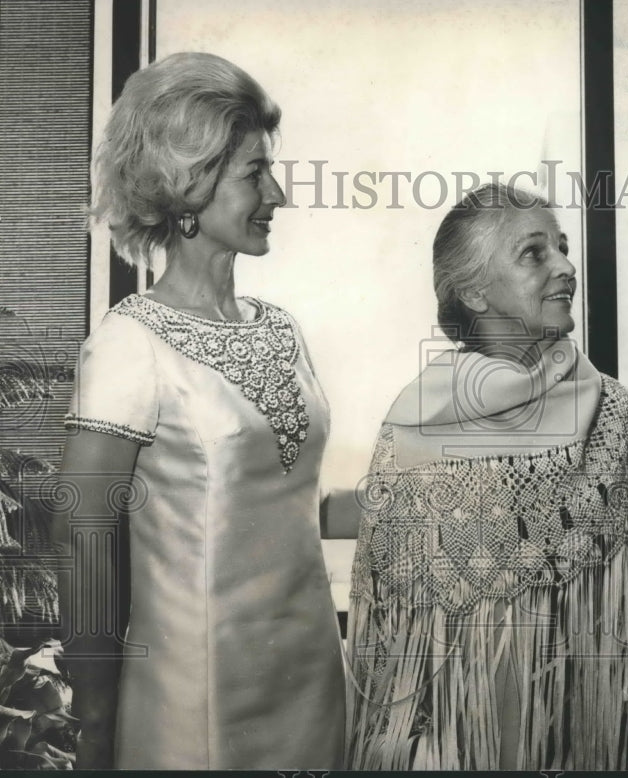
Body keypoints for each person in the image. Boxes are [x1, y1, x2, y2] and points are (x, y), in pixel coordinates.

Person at [53, 52, 345, 769]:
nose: (276, 192)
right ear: (187, 183)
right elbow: (84, 542)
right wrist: (94, 721)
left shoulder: (283, 329)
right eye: (254, 173)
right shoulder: (128, 345)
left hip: (314, 683)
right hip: (193, 705)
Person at [346, 183, 628, 770]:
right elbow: (387, 619)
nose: (565, 266)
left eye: (561, 246)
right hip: (445, 740)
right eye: (534, 253)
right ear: (475, 291)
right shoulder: (415, 420)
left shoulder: (618, 416)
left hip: (577, 735)